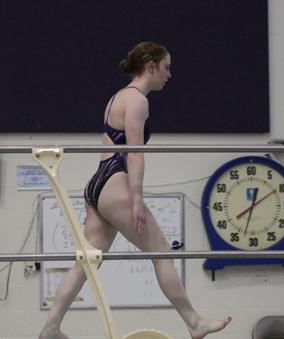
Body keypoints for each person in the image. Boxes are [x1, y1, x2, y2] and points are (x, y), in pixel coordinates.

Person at [39, 41, 231, 339]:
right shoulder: (138, 101)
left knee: (89, 259)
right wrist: (137, 199)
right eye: (166, 68)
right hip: (117, 182)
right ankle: (194, 322)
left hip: (98, 184)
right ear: (151, 66)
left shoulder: (117, 97)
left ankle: (51, 326)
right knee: (162, 253)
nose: (169, 74)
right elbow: (134, 152)